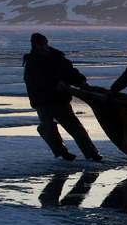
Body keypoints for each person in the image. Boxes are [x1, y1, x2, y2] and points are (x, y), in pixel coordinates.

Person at [22, 32, 102, 162]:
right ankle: (62, 152)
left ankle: (92, 152)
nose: (44, 47)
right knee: (49, 129)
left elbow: (70, 72)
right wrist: (54, 83)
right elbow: (34, 81)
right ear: (35, 46)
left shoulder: (57, 57)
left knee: (76, 127)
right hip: (43, 102)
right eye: (41, 45)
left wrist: (80, 81)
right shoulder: (32, 62)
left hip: (60, 99)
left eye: (45, 44)